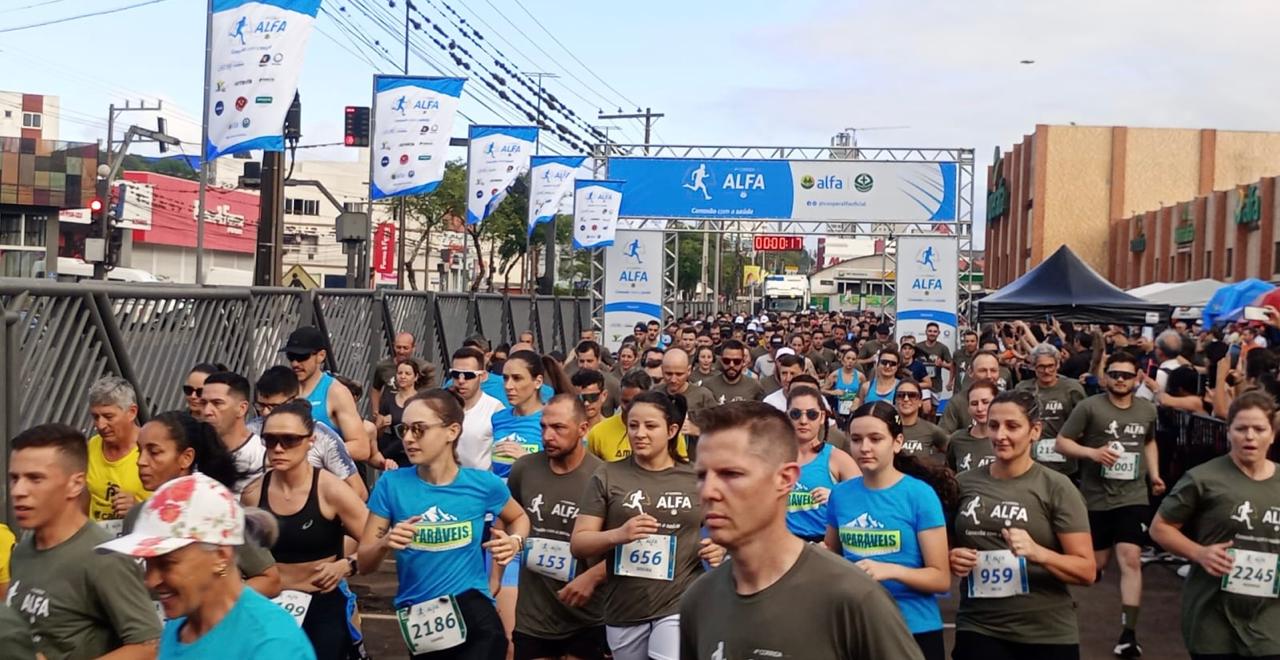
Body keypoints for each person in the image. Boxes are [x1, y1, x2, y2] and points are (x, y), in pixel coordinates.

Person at [679, 401, 926, 659]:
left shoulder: (853, 597)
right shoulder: (699, 600)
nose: (708, 491)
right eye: (701, 476)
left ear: (785, 479)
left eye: (731, 474)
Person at [357, 389, 530, 659]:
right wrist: (384, 543)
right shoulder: (391, 484)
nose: (408, 438)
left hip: (472, 608)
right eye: (404, 429)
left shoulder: (482, 484)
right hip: (421, 618)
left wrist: (515, 541)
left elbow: (519, 517)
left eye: (419, 429)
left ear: (452, 431)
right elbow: (365, 564)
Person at [571, 391, 724, 660]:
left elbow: (728, 525)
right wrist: (619, 535)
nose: (640, 434)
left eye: (650, 426)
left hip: (680, 600)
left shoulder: (695, 476)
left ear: (671, 430)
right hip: (624, 606)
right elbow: (579, 543)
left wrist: (720, 546)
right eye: (633, 425)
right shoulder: (607, 474)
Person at [96, 473, 316, 658]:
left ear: (221, 555)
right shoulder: (180, 624)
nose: (151, 580)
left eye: (167, 563)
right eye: (148, 563)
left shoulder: (271, 644)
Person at [949, 390, 1096, 660]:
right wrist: (951, 556)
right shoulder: (963, 483)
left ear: (1035, 431)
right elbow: (942, 547)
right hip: (979, 626)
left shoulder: (1057, 487)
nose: (1000, 435)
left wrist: (1038, 553)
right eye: (994, 425)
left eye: (1012, 426)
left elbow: (1086, 571)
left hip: (1046, 632)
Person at [7, 423, 162, 658]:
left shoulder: (104, 558)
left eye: (35, 479)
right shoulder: (21, 552)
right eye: (14, 478)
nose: (18, 491)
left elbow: (149, 646)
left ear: (76, 484)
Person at [1150, 391, 1280, 660]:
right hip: (1213, 614)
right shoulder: (1203, 478)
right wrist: (1199, 553)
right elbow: (1160, 528)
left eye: (1259, 429)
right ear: (1228, 432)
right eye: (1241, 429)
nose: (1250, 436)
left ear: (1272, 435)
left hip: (1270, 617)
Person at [240, 400, 370, 660]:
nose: (278, 448)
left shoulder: (331, 489)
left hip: (321, 602)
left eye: (289, 440)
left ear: (311, 440)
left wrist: (346, 565)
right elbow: (243, 554)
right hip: (270, 606)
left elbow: (375, 542)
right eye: (270, 440)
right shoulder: (253, 493)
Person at [826, 401, 955, 660]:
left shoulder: (920, 495)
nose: (864, 447)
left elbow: (941, 579)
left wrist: (890, 570)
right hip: (859, 628)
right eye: (856, 439)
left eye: (875, 439)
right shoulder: (840, 495)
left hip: (913, 629)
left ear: (897, 443)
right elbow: (832, 555)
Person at [1055, 351, 1163, 658]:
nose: (1120, 380)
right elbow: (1063, 442)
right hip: (1096, 496)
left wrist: (1155, 475)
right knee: (1095, 566)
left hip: (1133, 495)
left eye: (1126, 375)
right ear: (1105, 377)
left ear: (1138, 377)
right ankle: (1057, 605)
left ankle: (1129, 633)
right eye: (1114, 374)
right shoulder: (1090, 407)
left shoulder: (1147, 410)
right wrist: (1092, 453)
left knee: (1131, 558)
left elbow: (1149, 441)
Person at [128, 410, 281, 597]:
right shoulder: (137, 516)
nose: (141, 461)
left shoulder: (220, 512)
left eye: (154, 452)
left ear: (186, 457)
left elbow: (270, 580)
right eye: (139, 451)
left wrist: (211, 599)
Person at [508, 395, 608, 660]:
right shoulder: (524, 469)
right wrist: (497, 574)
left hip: (587, 616)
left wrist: (593, 577)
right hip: (534, 617)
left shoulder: (605, 477)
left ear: (583, 429)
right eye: (543, 427)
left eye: (558, 428)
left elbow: (626, 547)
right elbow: (508, 520)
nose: (547, 436)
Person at [250, 366, 366, 499]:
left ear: (293, 400)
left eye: (273, 407)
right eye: (261, 406)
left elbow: (359, 491)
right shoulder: (249, 433)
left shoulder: (322, 436)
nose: (265, 413)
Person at [282, 326, 371, 462]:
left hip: (324, 473)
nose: (295, 363)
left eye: (302, 356)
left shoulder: (336, 392)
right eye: (291, 356)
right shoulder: (282, 388)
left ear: (321, 356)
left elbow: (361, 448)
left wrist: (311, 453)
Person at [784, 386, 860, 543]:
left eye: (811, 414)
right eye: (796, 414)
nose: (803, 421)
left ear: (822, 417)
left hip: (823, 544)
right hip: (782, 543)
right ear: (787, 416)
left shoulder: (837, 459)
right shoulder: (774, 458)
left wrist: (836, 497)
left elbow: (864, 501)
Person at [84, 376, 150, 535]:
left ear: (132, 412)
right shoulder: (90, 447)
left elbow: (172, 510)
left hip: (139, 542)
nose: (100, 425)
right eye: (95, 417)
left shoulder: (152, 451)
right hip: (96, 543)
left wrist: (137, 510)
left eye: (108, 417)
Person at [492, 350, 571, 479]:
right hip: (500, 491)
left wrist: (527, 460)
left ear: (538, 382)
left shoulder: (553, 420)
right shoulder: (498, 418)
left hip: (538, 489)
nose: (508, 386)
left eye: (517, 378)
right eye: (505, 378)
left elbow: (567, 469)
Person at [1015, 343, 1086, 475]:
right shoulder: (1022, 389)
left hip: (1064, 461)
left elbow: (1083, 422)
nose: (1046, 371)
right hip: (1031, 459)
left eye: (1050, 366)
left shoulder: (1072, 388)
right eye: (1041, 366)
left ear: (1057, 365)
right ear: (1034, 367)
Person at [201, 371, 267, 494]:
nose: (207, 411)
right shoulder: (194, 450)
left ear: (242, 408)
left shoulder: (260, 457)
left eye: (217, 403)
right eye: (203, 403)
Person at [446, 347, 507, 470]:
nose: (461, 381)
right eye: (455, 374)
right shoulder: (441, 406)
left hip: (479, 480)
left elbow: (504, 456)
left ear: (482, 376)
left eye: (468, 375)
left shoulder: (495, 409)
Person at [374, 357, 428, 468]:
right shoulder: (388, 400)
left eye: (407, 374)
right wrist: (381, 426)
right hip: (393, 454)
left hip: (415, 453)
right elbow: (377, 433)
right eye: (400, 373)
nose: (403, 376)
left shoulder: (422, 401)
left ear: (416, 377)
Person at [656, 348, 718, 437]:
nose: (673, 380)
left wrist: (698, 430)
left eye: (679, 374)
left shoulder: (703, 396)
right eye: (668, 374)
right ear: (662, 370)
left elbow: (719, 431)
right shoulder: (655, 394)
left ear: (689, 370)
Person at [942, 351, 1004, 433]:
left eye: (993, 370)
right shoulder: (958, 402)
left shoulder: (1007, 402)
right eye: (983, 371)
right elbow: (943, 436)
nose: (989, 376)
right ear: (970, 372)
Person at [947, 379, 999, 474]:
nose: (979, 408)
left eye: (985, 402)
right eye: (974, 404)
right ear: (968, 408)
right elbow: (951, 472)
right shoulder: (957, 440)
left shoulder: (1005, 439)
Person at [896, 377, 950, 465]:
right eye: (901, 395)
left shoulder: (931, 430)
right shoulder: (887, 428)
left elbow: (954, 451)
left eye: (912, 395)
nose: (906, 399)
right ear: (896, 400)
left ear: (920, 402)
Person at [700, 340, 764, 404]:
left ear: (743, 362)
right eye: (727, 361)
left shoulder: (755, 386)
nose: (731, 365)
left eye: (737, 361)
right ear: (721, 361)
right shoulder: (707, 386)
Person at [370, 331, 417, 415]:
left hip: (411, 412)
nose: (401, 351)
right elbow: (376, 389)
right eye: (398, 347)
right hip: (387, 413)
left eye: (405, 348)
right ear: (394, 346)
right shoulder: (383, 366)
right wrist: (375, 410)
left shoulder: (421, 367)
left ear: (413, 348)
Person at [572, 341, 620, 417]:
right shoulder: (570, 382)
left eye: (589, 361)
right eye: (581, 361)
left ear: (599, 359)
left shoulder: (612, 383)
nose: (585, 365)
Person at [823, 347, 864, 420]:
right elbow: (822, 391)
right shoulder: (835, 375)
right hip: (837, 410)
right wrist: (833, 392)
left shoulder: (860, 376)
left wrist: (858, 401)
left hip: (854, 410)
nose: (850, 361)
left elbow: (865, 392)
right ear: (843, 359)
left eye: (853, 359)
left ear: (856, 361)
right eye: (848, 358)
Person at [916, 322, 954, 395]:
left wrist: (942, 364)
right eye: (930, 331)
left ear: (938, 333)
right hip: (920, 385)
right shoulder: (917, 347)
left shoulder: (943, 348)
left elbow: (952, 366)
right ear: (926, 332)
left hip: (936, 386)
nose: (932, 333)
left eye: (935, 331)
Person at [571, 368, 611, 433]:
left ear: (604, 395)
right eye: (581, 398)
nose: (586, 403)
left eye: (592, 397)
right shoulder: (569, 431)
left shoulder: (613, 429)